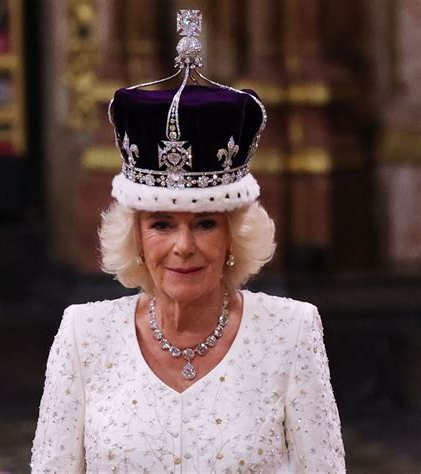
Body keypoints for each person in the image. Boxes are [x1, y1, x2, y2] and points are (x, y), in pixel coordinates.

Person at [31, 10, 345, 473]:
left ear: (234, 235)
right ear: (135, 237)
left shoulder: (291, 332)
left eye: (205, 224)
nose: (183, 246)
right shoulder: (83, 335)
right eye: (161, 224)